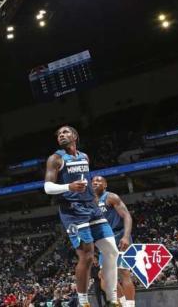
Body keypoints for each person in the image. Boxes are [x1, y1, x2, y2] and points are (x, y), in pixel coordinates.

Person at [44, 126, 120, 307]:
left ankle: (112, 298)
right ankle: (84, 301)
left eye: (66, 132)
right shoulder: (55, 159)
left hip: (91, 207)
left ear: (75, 136)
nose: (62, 135)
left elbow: (86, 183)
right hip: (72, 211)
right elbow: (47, 187)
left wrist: (96, 203)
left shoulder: (84, 157)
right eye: (59, 134)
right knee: (87, 256)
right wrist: (68, 187)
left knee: (112, 251)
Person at [93, 176, 135, 307]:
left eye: (99, 181)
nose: (95, 182)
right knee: (104, 277)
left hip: (119, 235)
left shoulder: (111, 197)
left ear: (105, 184)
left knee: (123, 272)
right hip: (104, 240)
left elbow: (127, 216)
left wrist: (126, 236)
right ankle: (123, 303)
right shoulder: (90, 203)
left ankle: (130, 304)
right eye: (93, 181)